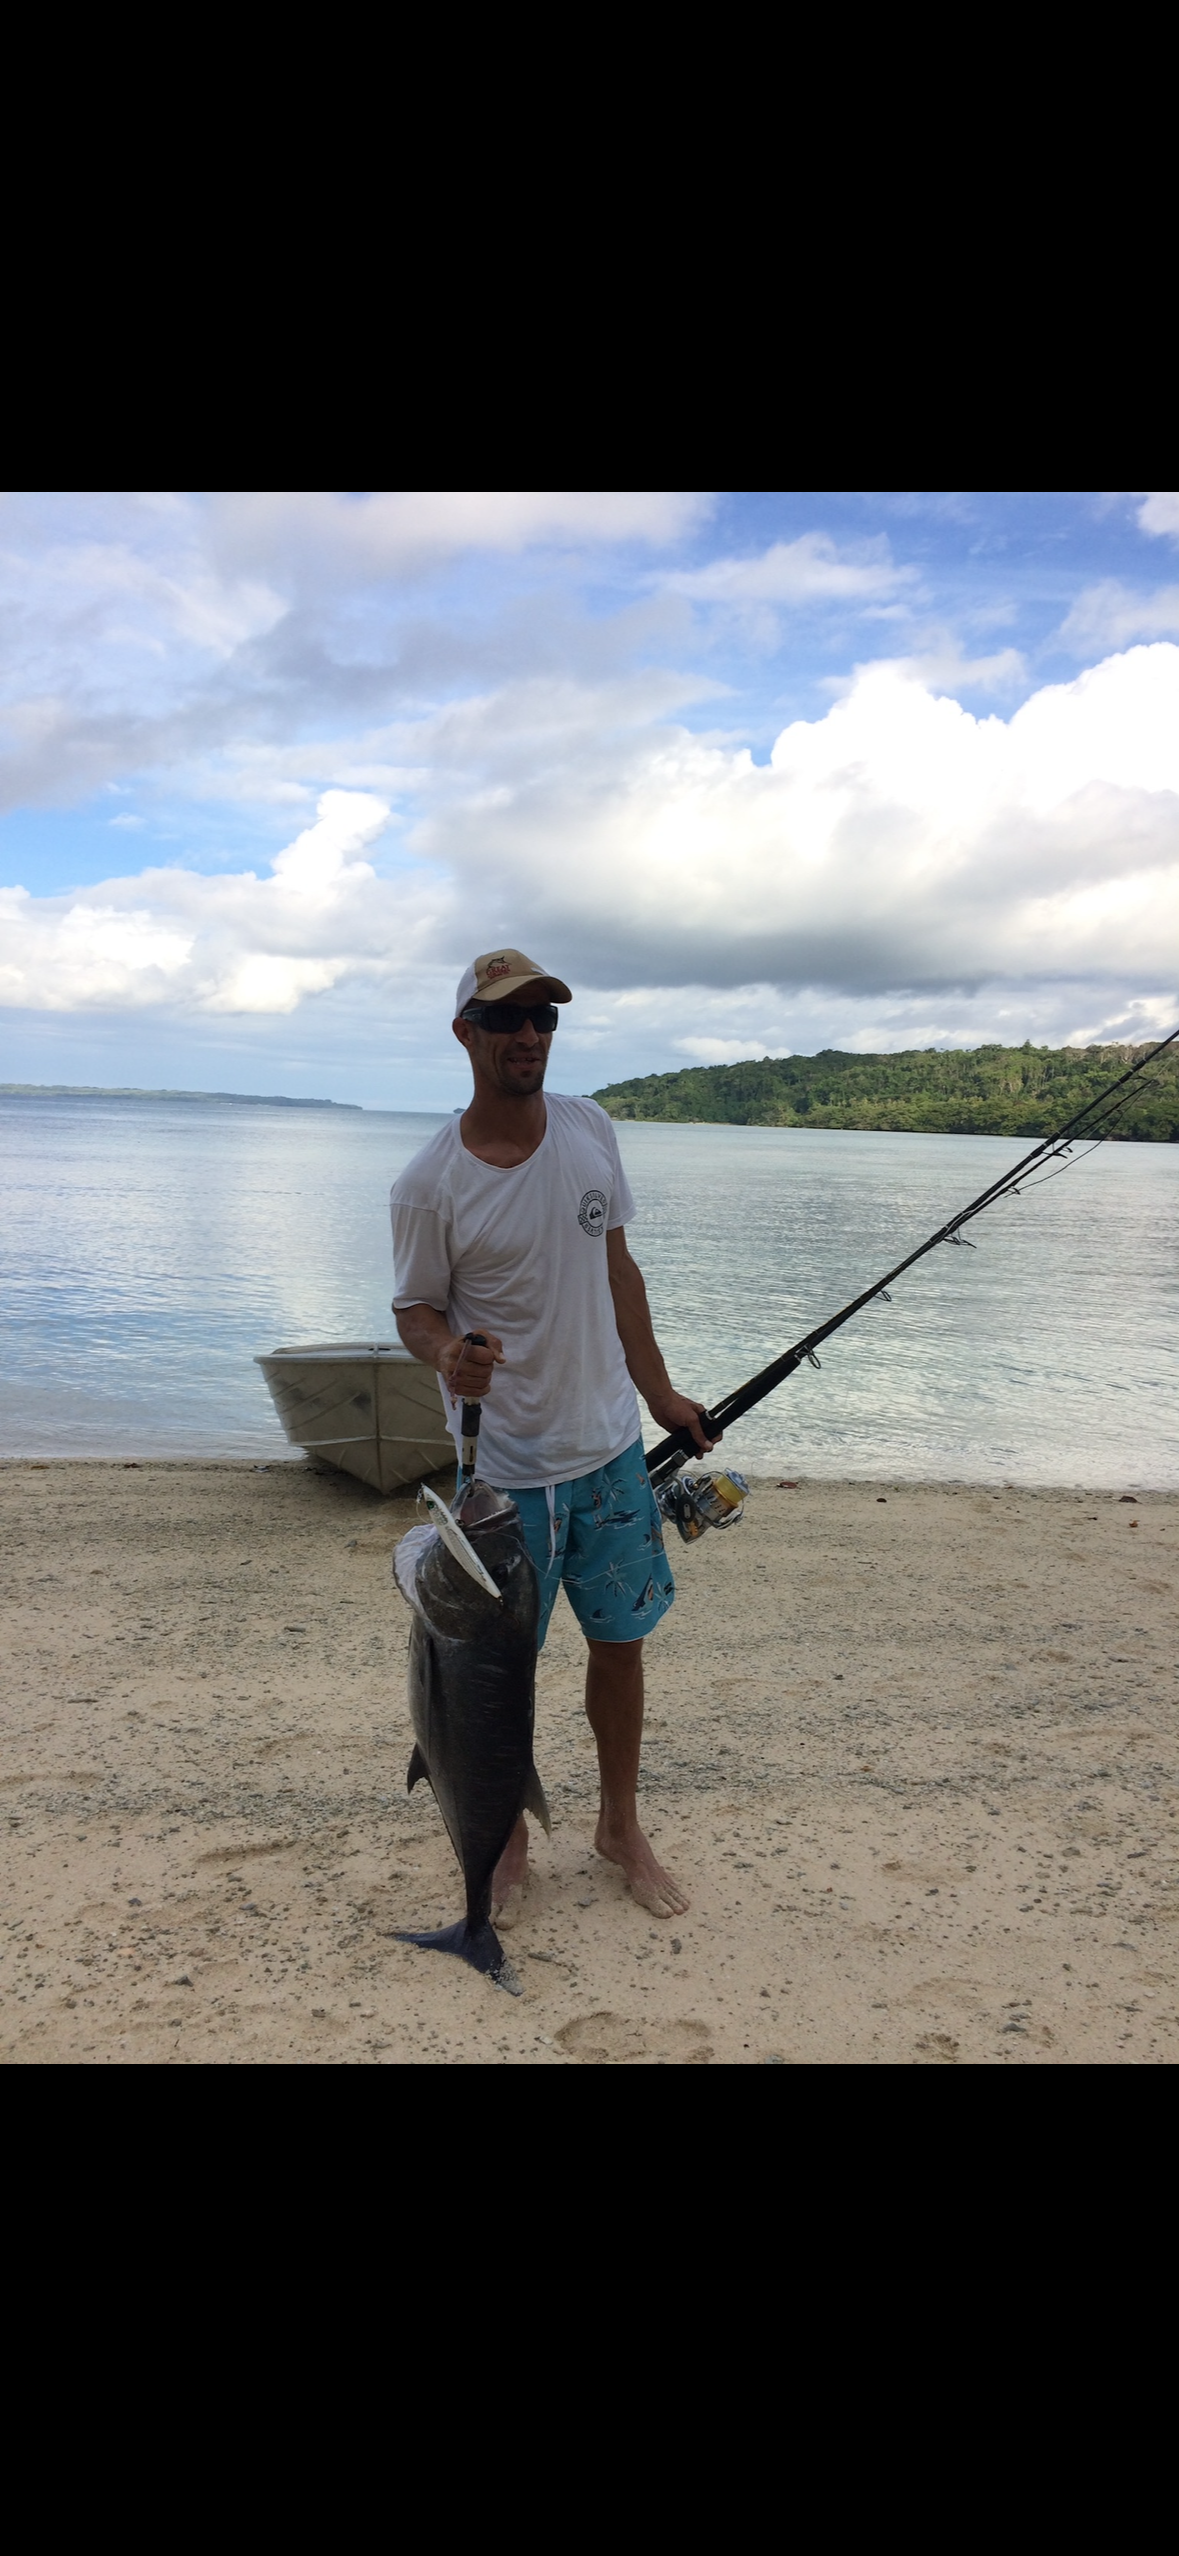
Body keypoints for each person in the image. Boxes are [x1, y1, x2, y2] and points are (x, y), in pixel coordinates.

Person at [390, 947, 717, 1920]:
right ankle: (508, 1836)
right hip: (503, 1478)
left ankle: (619, 1823)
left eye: (543, 1020)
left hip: (609, 1448)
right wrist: (448, 1354)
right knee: (496, 1673)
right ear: (467, 1036)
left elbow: (619, 1269)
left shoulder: (589, 1129)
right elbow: (414, 1311)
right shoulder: (429, 1181)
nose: (528, 1036)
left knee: (621, 1644)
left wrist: (658, 1394)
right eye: (505, 1021)